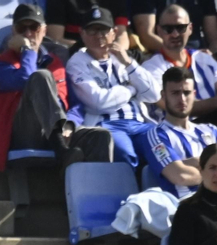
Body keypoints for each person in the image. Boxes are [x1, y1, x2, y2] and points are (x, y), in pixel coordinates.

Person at [0, 4, 114, 171]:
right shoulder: (1, 64)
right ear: (14, 31)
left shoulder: (55, 63)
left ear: (44, 31)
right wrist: (26, 50)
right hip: (23, 134)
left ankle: (94, 195)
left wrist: (70, 124)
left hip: (58, 132)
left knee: (100, 136)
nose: (28, 33)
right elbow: (26, 78)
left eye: (34, 27)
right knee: (40, 76)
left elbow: (76, 104)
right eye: (23, 28)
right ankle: (61, 149)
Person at [143, 4, 217, 160]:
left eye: (181, 27)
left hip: (212, 124)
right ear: (158, 31)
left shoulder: (204, 58)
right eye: (168, 29)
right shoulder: (151, 67)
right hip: (177, 127)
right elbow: (174, 106)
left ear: (190, 28)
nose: (175, 34)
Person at [66, 6, 161, 167]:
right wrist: (131, 89)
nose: (98, 36)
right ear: (82, 33)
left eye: (103, 30)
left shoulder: (123, 58)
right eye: (92, 31)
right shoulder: (76, 63)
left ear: (114, 32)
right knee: (126, 155)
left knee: (163, 147)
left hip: (139, 123)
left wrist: (130, 64)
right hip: (108, 125)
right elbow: (99, 102)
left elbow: (154, 95)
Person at [145, 65, 217, 197]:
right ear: (164, 96)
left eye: (186, 93)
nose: (182, 99)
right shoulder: (157, 135)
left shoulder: (211, 130)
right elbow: (181, 176)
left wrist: (196, 162)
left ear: (194, 94)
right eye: (175, 93)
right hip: (187, 205)